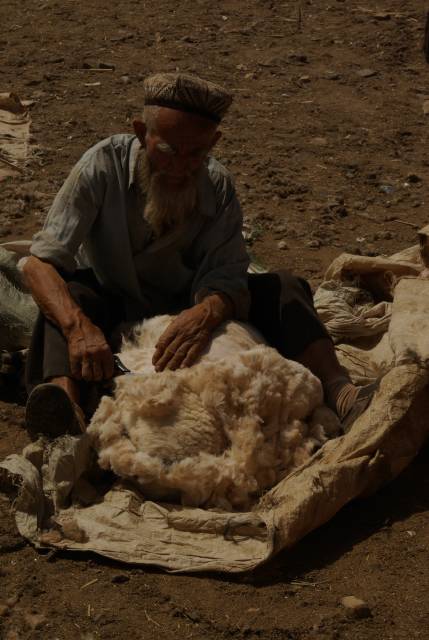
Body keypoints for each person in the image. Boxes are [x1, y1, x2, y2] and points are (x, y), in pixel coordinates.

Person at [23, 72, 373, 438]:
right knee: (66, 300)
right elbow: (40, 262)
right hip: (114, 300)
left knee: (284, 288)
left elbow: (226, 275)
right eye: (169, 150)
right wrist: (79, 328)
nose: (181, 165)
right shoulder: (101, 166)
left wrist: (207, 312)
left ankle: (342, 393)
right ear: (142, 133)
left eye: (197, 153)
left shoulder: (217, 185)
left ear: (214, 143)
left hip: (186, 305)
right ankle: (66, 419)